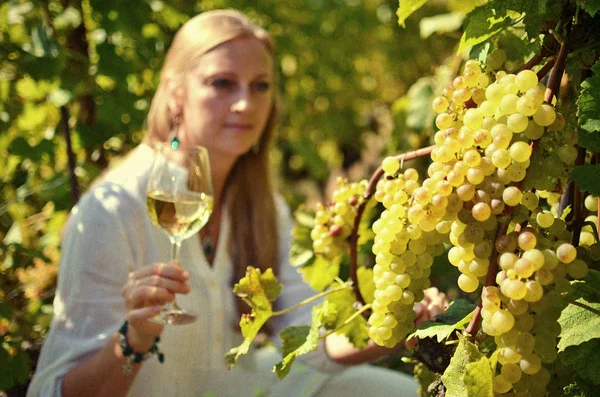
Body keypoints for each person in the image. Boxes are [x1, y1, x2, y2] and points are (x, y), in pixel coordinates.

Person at [27, 9, 445, 397]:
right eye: (222, 83)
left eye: (260, 85)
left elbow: (309, 335)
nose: (246, 104)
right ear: (176, 94)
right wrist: (133, 340)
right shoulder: (115, 208)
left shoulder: (261, 205)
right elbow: (53, 390)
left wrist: (391, 328)